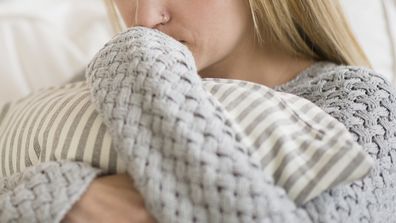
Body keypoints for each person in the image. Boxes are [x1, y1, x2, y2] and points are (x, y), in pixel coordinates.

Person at [62, 0, 396, 222]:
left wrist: (133, 60)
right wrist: (68, 196)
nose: (144, 19)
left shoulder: (365, 107)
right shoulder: (94, 85)